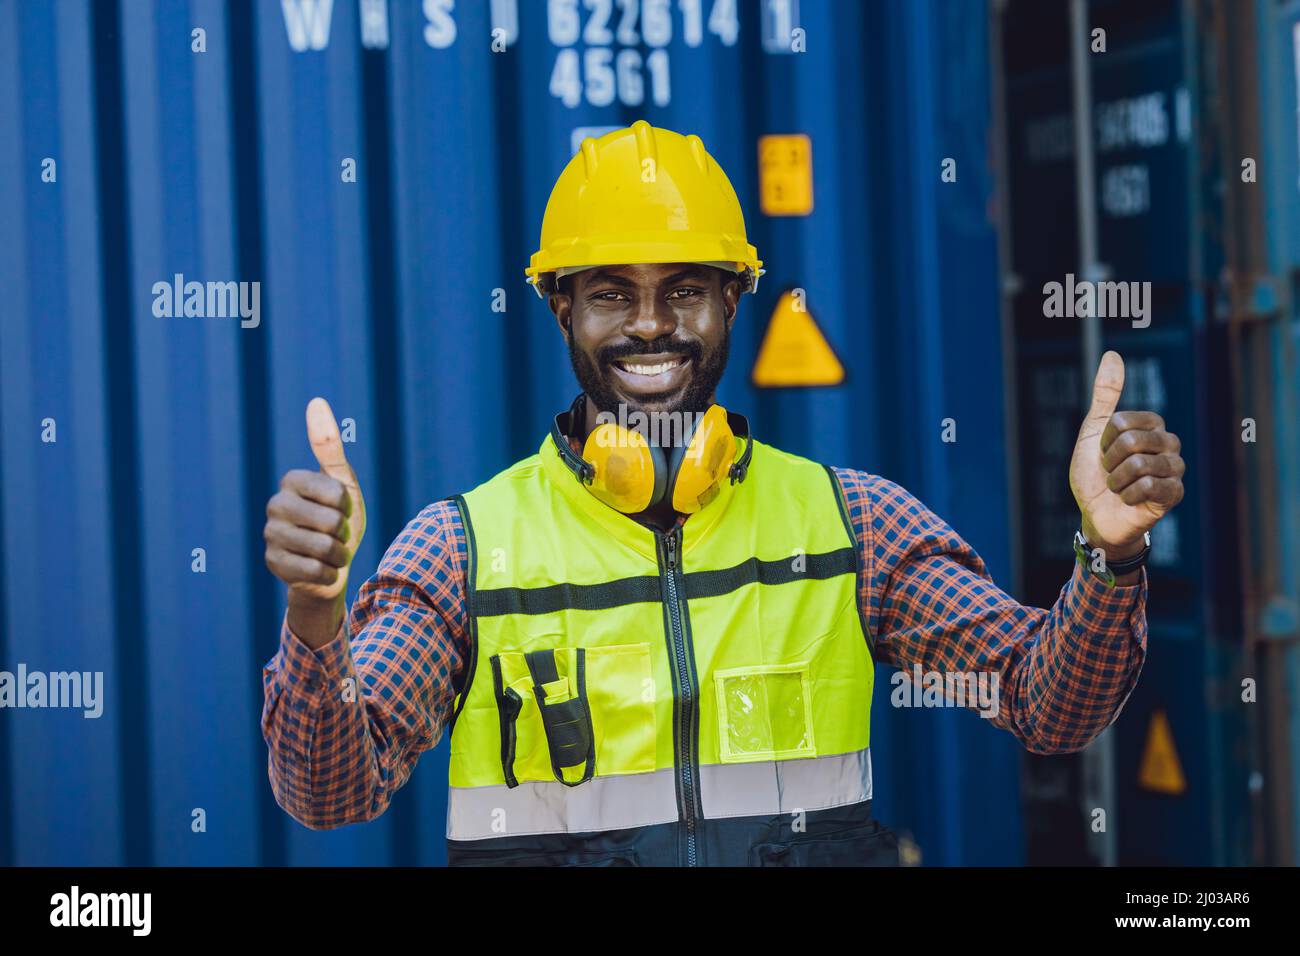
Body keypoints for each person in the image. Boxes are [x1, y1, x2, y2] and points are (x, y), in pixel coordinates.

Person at [261, 122, 1185, 866]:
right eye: (613, 294)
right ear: (561, 310)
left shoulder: (853, 524)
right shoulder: (462, 551)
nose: (653, 324)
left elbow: (1046, 703)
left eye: (686, 290)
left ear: (733, 303)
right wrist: (315, 620)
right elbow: (333, 794)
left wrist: (1109, 559)